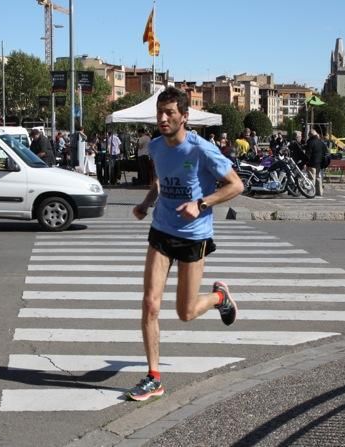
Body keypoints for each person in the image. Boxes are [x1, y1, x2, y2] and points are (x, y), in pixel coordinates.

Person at [128, 86, 244, 402]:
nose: (163, 119)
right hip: (162, 229)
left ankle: (220, 297)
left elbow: (236, 184)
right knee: (150, 303)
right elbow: (161, 181)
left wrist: (202, 203)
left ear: (185, 116)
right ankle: (154, 377)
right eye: (159, 113)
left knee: (186, 312)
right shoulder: (155, 146)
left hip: (194, 235)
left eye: (170, 114)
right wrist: (146, 203)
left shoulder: (202, 149)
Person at [306, 129, 327, 196]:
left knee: (311, 178)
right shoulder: (321, 142)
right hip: (319, 164)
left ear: (310, 135)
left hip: (311, 163)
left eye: (308, 135)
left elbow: (308, 154)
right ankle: (319, 192)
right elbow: (325, 153)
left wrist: (305, 162)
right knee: (318, 178)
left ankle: (311, 192)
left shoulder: (310, 142)